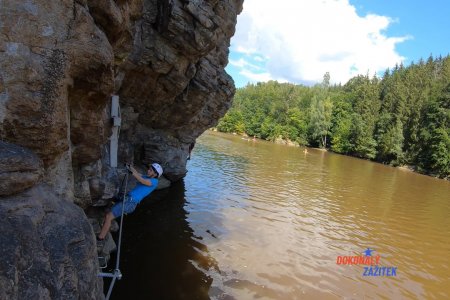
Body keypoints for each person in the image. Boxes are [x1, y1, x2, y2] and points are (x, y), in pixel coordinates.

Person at [97, 163, 163, 241]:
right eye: (149, 169)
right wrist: (130, 167)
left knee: (109, 217)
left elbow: (142, 181)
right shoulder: (147, 177)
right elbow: (138, 174)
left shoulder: (154, 182)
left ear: (155, 174)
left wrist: (132, 173)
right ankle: (106, 229)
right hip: (128, 199)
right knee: (111, 201)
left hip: (130, 202)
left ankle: (100, 238)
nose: (148, 170)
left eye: (151, 170)